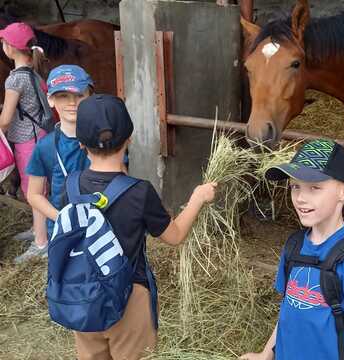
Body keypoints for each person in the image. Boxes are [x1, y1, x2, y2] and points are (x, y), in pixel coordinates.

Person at [66, 94, 216, 359]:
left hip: (83, 295)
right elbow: (175, 235)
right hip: (128, 298)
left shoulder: (72, 185)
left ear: (80, 144)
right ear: (129, 139)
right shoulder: (139, 192)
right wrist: (198, 198)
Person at [241, 139, 344, 360]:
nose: (300, 198)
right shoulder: (294, 246)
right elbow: (288, 312)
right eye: (295, 186)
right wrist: (265, 355)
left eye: (314, 188)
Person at [19, 65, 94, 263]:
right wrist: (61, 217)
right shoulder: (45, 146)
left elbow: (119, 176)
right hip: (61, 230)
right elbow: (34, 194)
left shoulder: (103, 139)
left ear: (90, 96)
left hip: (99, 225)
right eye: (63, 96)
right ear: (50, 100)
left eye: (79, 95)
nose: (72, 103)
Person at [0, 22, 50, 252]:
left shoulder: (15, 80)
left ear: (9, 48)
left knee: (34, 191)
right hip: (40, 135)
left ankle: (41, 242)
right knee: (38, 188)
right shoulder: (33, 72)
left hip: (27, 141)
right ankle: (37, 228)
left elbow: (5, 120)